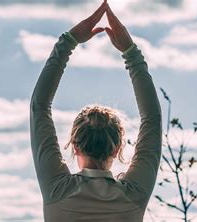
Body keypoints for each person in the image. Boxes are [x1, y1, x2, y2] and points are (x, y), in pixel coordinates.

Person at [29, 0, 162, 221]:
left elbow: (39, 106)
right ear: (118, 148)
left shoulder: (57, 189)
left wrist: (68, 41)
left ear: (74, 145)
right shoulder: (134, 194)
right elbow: (153, 118)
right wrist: (130, 52)